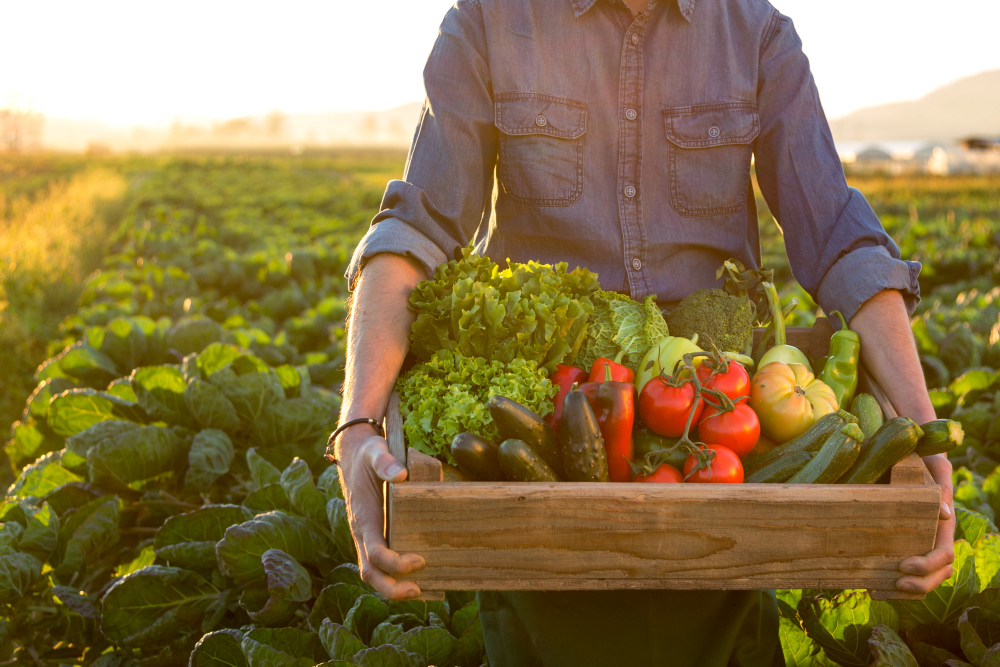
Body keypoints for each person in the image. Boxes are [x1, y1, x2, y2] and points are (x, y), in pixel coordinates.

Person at [331, 0, 956, 664]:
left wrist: (923, 438)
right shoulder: (489, 20)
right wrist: (357, 425)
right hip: (541, 443)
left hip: (716, 441)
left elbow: (839, 240)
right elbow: (415, 229)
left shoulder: (756, 33)